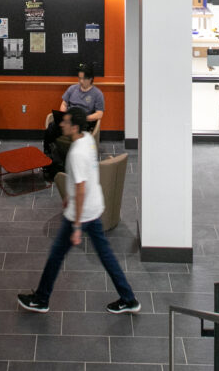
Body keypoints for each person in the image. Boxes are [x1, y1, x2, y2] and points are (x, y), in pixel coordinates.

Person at [17, 108, 140, 315]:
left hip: (81, 213)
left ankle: (41, 299)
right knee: (105, 256)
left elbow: (81, 189)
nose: (61, 124)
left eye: (65, 122)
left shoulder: (76, 153)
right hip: (93, 207)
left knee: (56, 255)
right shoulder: (87, 140)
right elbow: (83, 179)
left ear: (74, 127)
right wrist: (69, 196)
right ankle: (128, 298)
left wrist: (76, 227)